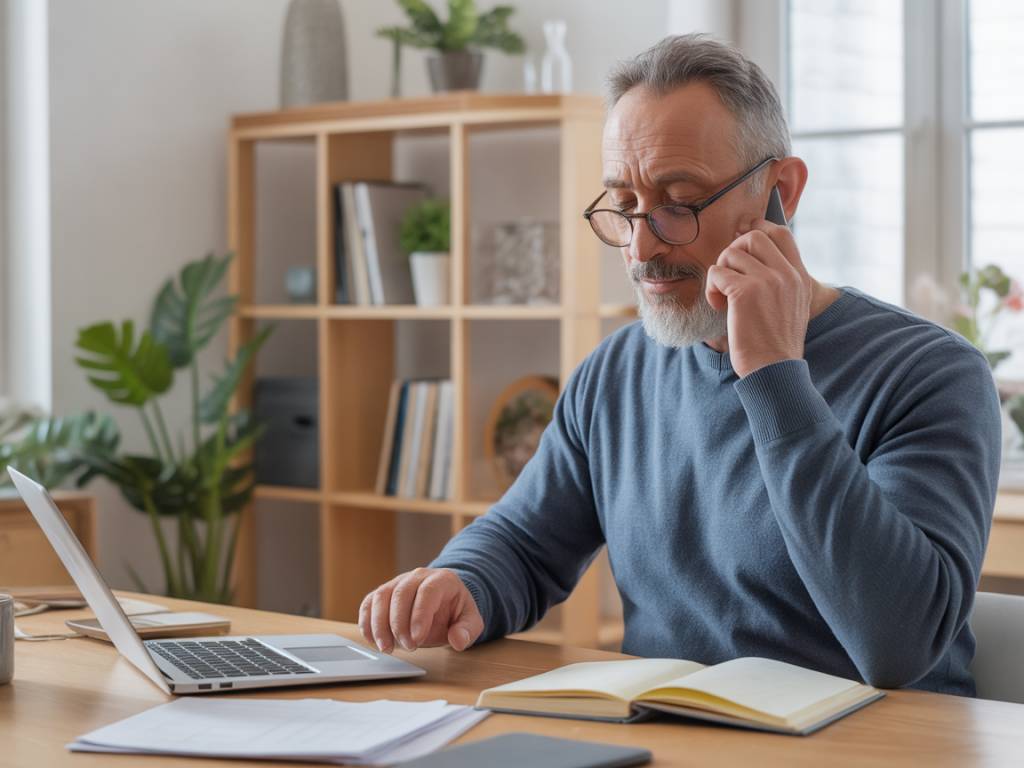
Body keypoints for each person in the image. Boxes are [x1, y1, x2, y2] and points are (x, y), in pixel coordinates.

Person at [358, 34, 1000, 696]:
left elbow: (898, 643)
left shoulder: (932, 375)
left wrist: (776, 373)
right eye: (625, 205)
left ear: (781, 190)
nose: (641, 245)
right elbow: (524, 541)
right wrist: (462, 580)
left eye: (677, 203)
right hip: (672, 742)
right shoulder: (615, 373)